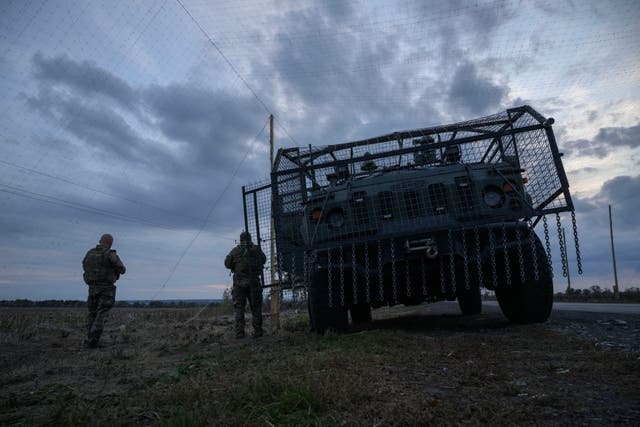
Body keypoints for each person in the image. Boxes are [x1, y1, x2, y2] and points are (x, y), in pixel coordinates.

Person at [82, 233, 126, 348]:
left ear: (100, 241)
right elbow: (122, 269)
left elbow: (84, 266)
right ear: (110, 244)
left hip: (92, 288)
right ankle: (93, 342)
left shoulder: (89, 253)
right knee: (101, 315)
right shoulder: (110, 254)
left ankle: (89, 339)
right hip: (106, 289)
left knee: (92, 314)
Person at [224, 231, 266, 338]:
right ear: (250, 239)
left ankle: (240, 334)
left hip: (239, 285)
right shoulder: (256, 250)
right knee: (256, 309)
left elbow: (227, 264)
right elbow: (263, 260)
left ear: (241, 239)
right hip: (254, 283)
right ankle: (258, 332)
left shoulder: (235, 251)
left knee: (239, 309)